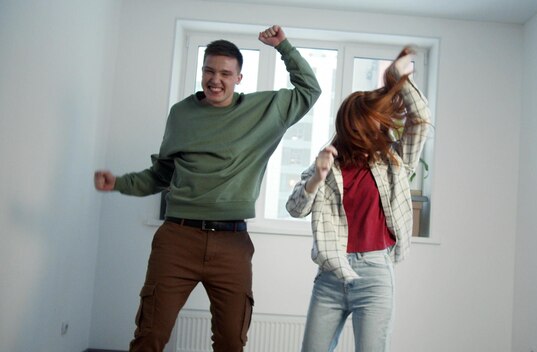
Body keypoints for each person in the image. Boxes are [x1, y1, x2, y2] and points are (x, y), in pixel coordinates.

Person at [94, 25, 321, 352]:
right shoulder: (182, 114)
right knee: (150, 335)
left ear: (239, 78)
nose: (216, 79)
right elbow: (162, 173)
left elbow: (309, 90)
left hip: (232, 244)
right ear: (202, 72)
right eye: (209, 71)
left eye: (226, 73)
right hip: (178, 239)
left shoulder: (262, 111)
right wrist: (119, 183)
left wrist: (283, 46)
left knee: (231, 341)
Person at [286, 46, 431, 352]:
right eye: (362, 125)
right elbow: (295, 209)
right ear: (350, 127)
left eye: (376, 123)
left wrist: (398, 80)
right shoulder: (328, 164)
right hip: (329, 277)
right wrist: (317, 177)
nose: (370, 130)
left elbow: (419, 119)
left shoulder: (394, 162)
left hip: (375, 274)